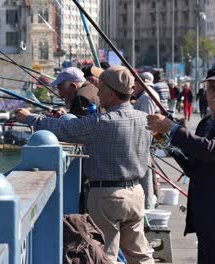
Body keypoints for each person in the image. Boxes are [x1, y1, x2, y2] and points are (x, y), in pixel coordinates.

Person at [16, 66, 154, 264]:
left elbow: (63, 128)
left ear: (112, 93)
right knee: (140, 254)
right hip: (136, 193)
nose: (97, 91)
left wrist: (29, 118)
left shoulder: (101, 122)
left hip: (107, 197)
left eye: (102, 87)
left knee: (105, 255)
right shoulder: (145, 120)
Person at [146, 59, 215, 264]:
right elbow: (195, 165)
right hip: (206, 221)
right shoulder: (206, 123)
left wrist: (174, 129)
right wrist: (167, 142)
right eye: (212, 88)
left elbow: (212, 149)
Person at [133, 71, 159, 210]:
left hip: (145, 142)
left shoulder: (146, 98)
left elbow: (146, 122)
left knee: (146, 177)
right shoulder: (145, 96)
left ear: (139, 84)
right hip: (146, 141)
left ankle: (148, 207)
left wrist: (143, 144)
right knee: (148, 175)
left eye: (134, 85)